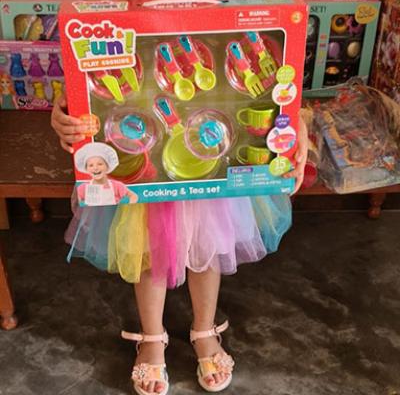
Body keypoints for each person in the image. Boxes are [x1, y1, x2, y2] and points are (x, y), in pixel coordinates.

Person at [51, 94, 307, 395]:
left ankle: (204, 328)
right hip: (138, 143)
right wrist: (64, 108)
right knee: (146, 239)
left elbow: (280, 78)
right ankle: (152, 335)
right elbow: (75, 84)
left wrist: (295, 120)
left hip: (212, 142)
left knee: (209, 236)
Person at [74, 142, 138, 206]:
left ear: (107, 166)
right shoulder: (83, 188)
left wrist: (129, 207)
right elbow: (76, 202)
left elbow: (133, 196)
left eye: (100, 164)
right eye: (91, 165)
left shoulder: (117, 186)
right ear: (86, 169)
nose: (95, 168)